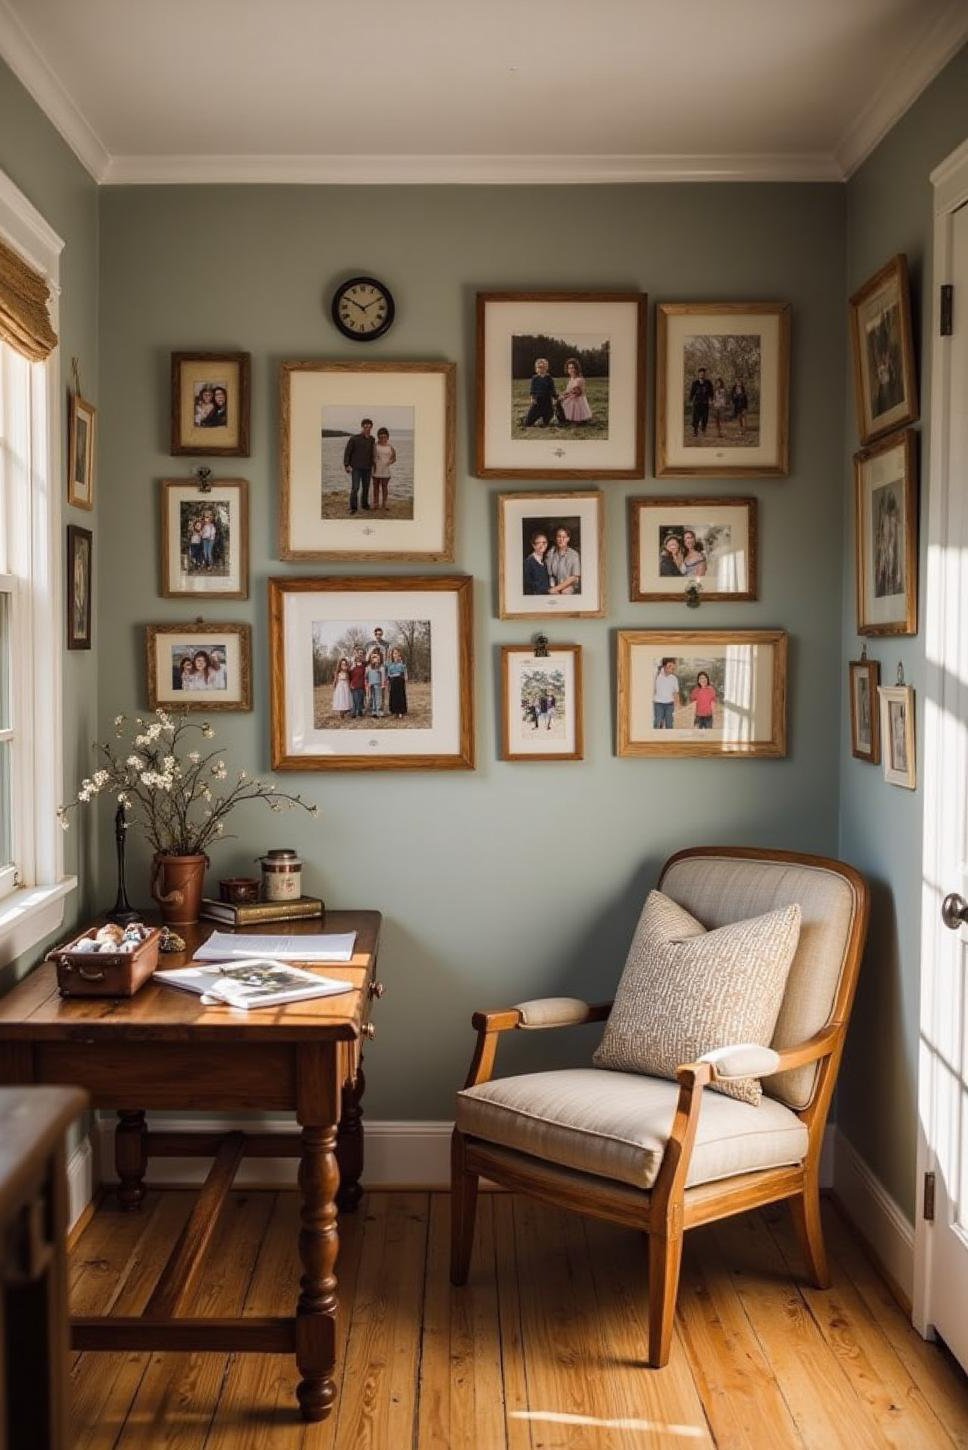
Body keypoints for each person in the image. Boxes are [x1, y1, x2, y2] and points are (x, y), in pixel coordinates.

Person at [343, 418, 376, 513]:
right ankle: (353, 508)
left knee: (366, 488)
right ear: (362, 427)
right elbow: (347, 452)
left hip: (367, 468)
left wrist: (374, 465)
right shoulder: (354, 438)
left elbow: (372, 453)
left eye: (369, 427)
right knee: (355, 488)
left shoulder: (372, 439)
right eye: (366, 427)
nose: (367, 429)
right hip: (356, 468)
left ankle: (365, 505)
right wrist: (346, 465)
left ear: (371, 428)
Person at [522, 358, 558, 429]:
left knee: (546, 422)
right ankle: (529, 419)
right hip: (537, 402)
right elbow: (532, 390)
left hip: (547, 402)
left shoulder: (549, 378)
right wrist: (532, 398)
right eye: (539, 367)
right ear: (536, 368)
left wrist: (555, 398)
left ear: (546, 368)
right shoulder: (534, 378)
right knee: (527, 423)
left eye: (543, 367)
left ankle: (544, 419)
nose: (541, 369)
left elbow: (552, 390)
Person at [546, 525, 581, 596]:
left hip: (569, 586)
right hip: (554, 585)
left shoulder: (574, 554)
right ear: (556, 538)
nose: (561, 539)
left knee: (565, 592)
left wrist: (557, 588)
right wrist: (553, 587)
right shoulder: (551, 553)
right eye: (559, 536)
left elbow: (574, 577)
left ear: (568, 539)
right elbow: (550, 575)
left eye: (564, 537)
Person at [560, 358, 593, 425]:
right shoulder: (571, 379)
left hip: (577, 399)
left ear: (576, 369)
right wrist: (563, 394)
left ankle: (577, 419)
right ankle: (566, 418)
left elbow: (577, 393)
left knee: (570, 402)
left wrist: (566, 396)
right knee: (563, 402)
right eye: (569, 368)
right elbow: (568, 390)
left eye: (573, 368)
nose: (571, 370)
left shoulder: (579, 379)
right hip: (571, 397)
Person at [371, 427, 396, 510]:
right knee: (376, 488)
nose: (383, 439)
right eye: (381, 437)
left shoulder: (391, 447)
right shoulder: (375, 446)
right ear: (378, 437)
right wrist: (373, 460)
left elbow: (394, 459)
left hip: (386, 471)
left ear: (387, 437)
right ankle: (376, 504)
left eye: (384, 437)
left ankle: (384, 504)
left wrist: (390, 462)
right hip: (376, 470)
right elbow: (372, 457)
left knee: (385, 488)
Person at [652, 657, 681, 729]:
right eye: (669, 666)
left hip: (669, 705)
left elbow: (676, 693)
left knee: (669, 724)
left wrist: (678, 705)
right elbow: (653, 689)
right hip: (658, 704)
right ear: (664, 666)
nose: (671, 668)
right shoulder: (657, 675)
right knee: (658, 724)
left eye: (673, 667)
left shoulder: (674, 678)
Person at [689, 367, 714, 438]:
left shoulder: (708, 383)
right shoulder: (695, 383)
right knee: (696, 417)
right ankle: (695, 431)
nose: (702, 375)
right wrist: (690, 400)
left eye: (703, 374)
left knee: (705, 417)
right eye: (701, 374)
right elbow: (692, 392)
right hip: (697, 403)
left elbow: (711, 392)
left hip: (705, 403)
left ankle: (703, 430)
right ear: (698, 374)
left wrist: (711, 399)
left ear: (705, 374)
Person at [387, 647, 408, 716]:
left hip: (400, 680)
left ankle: (401, 711)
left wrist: (405, 677)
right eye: (394, 653)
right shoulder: (390, 664)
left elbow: (404, 672)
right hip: (393, 680)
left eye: (396, 653)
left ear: (399, 654)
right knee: (393, 696)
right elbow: (389, 674)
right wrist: (390, 678)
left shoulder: (402, 663)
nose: (395, 655)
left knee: (400, 696)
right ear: (392, 655)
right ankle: (394, 711)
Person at [365, 649, 385, 718]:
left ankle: (379, 711)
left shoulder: (381, 667)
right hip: (371, 685)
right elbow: (366, 677)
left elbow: (383, 676)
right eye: (373, 657)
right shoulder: (368, 667)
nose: (375, 659)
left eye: (376, 657)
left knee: (378, 698)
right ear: (371, 658)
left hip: (378, 685)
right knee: (372, 698)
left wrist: (382, 684)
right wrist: (367, 684)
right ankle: (373, 711)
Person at [348, 649, 367, 719]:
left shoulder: (364, 665)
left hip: (361, 685)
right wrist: (350, 684)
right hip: (354, 685)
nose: (359, 658)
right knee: (355, 700)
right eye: (357, 657)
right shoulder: (352, 666)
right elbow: (349, 676)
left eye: (360, 658)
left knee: (360, 699)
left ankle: (359, 712)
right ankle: (354, 712)